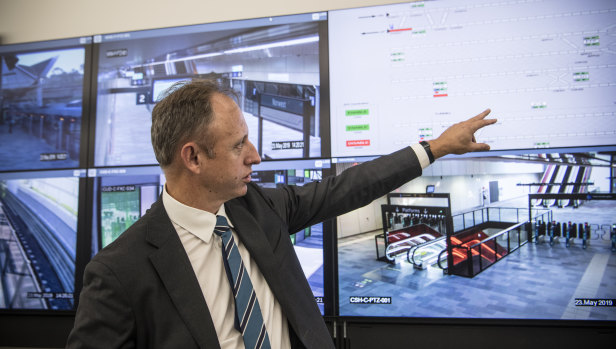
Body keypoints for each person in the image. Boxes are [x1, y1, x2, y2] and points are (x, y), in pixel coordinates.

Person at [66, 79, 496, 349]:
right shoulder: (119, 272)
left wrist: (435, 147)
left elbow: (348, 187)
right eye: (239, 146)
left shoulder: (260, 208)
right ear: (193, 157)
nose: (256, 155)